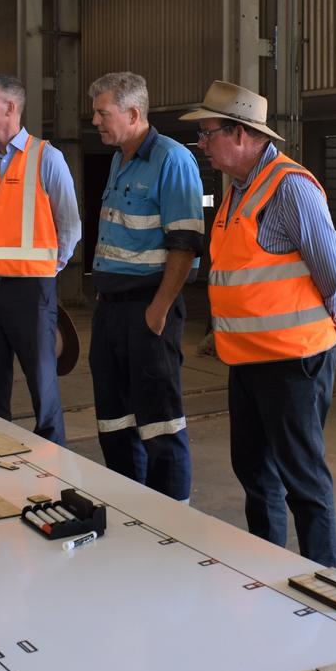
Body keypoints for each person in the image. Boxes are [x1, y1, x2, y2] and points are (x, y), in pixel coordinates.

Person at [182, 81, 336, 566]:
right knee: (254, 470)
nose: (203, 145)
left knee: (303, 478)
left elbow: (334, 269)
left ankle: (325, 579)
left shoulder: (290, 188)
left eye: (208, 134)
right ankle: (267, 565)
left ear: (241, 135)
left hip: (294, 362)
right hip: (248, 360)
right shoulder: (237, 191)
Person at [87, 72, 203, 501]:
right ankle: (132, 508)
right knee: (114, 421)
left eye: (103, 112)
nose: (96, 120)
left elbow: (185, 243)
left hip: (148, 311)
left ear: (133, 113)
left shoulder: (173, 160)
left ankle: (173, 520)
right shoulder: (120, 158)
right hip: (111, 309)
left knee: (160, 424)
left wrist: (158, 311)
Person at [0, 74, 80, 445]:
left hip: (31, 290)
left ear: (10, 108)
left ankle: (52, 462)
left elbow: (69, 224)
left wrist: (48, 269)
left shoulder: (47, 157)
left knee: (42, 385)